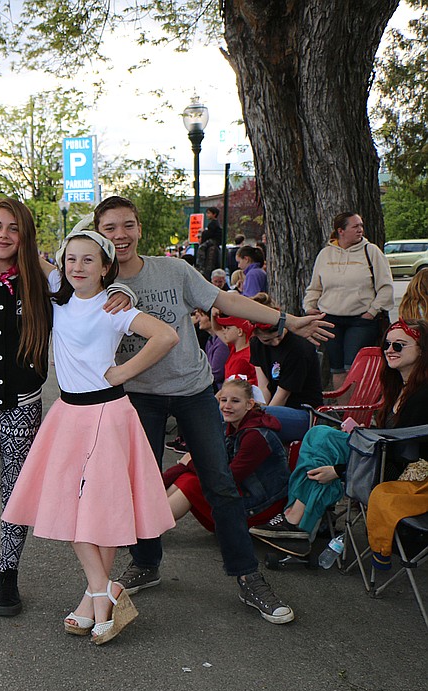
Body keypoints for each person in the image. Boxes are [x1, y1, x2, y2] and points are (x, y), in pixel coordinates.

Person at [93, 194, 333, 624]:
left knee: (220, 483)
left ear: (139, 228)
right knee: (141, 485)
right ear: (99, 233)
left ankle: (247, 578)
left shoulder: (174, 270)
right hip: (138, 396)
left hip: (193, 390)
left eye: (127, 225)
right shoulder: (95, 280)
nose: (120, 235)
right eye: (109, 228)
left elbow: (227, 302)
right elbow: (52, 306)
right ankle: (146, 562)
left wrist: (286, 321)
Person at [0, 198, 132, 623]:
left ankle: (7, 575)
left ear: (24, 235)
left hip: (23, 409)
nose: (3, 235)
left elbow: (88, 292)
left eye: (13, 228)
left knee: (16, 497)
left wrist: (123, 290)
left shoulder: (43, 279)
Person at [2, 226, 178, 645]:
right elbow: (26, 254)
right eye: (71, 259)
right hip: (68, 413)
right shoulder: (58, 298)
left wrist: (123, 371)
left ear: (105, 268)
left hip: (108, 412)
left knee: (100, 506)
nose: (77, 266)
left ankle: (96, 597)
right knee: (71, 503)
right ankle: (103, 591)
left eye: (88, 260)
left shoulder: (114, 306)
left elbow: (165, 335)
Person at [252, 319, 428, 546]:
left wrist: (339, 471)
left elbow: (401, 455)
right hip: (381, 455)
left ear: (423, 350)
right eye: (387, 345)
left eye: (399, 346)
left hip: (402, 473)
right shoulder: (398, 387)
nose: (389, 351)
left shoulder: (422, 397)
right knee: (318, 435)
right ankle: (300, 521)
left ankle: (297, 521)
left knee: (322, 449)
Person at [162, 378, 288, 532]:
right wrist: (163, 480)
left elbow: (228, 478)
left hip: (261, 507)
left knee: (192, 484)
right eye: (223, 400)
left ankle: (148, 529)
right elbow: (189, 465)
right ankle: (144, 522)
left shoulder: (256, 436)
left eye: (235, 401)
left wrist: (189, 463)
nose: (227, 406)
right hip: (242, 495)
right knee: (187, 477)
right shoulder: (229, 427)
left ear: (249, 404)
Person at [304, 212, 394, 389]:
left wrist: (372, 312)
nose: (360, 230)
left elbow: (385, 286)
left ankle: (359, 411)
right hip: (330, 319)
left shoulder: (371, 251)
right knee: (337, 369)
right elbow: (315, 287)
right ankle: (344, 413)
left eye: (361, 225)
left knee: (353, 366)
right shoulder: (325, 254)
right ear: (341, 231)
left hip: (361, 320)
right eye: (355, 226)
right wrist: (309, 307)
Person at [249, 293, 323, 442]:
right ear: (256, 335)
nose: (275, 342)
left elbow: (282, 395)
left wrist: (261, 417)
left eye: (279, 336)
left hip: (303, 412)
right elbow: (264, 387)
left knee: (251, 423)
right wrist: (260, 409)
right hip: (279, 408)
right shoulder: (256, 344)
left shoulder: (298, 348)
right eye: (268, 340)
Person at [199, 206, 224, 275]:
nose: (207, 215)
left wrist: (204, 232)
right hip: (215, 241)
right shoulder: (215, 223)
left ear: (214, 214)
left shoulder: (213, 224)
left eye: (209, 213)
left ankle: (200, 264)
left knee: (201, 248)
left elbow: (209, 233)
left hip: (214, 241)